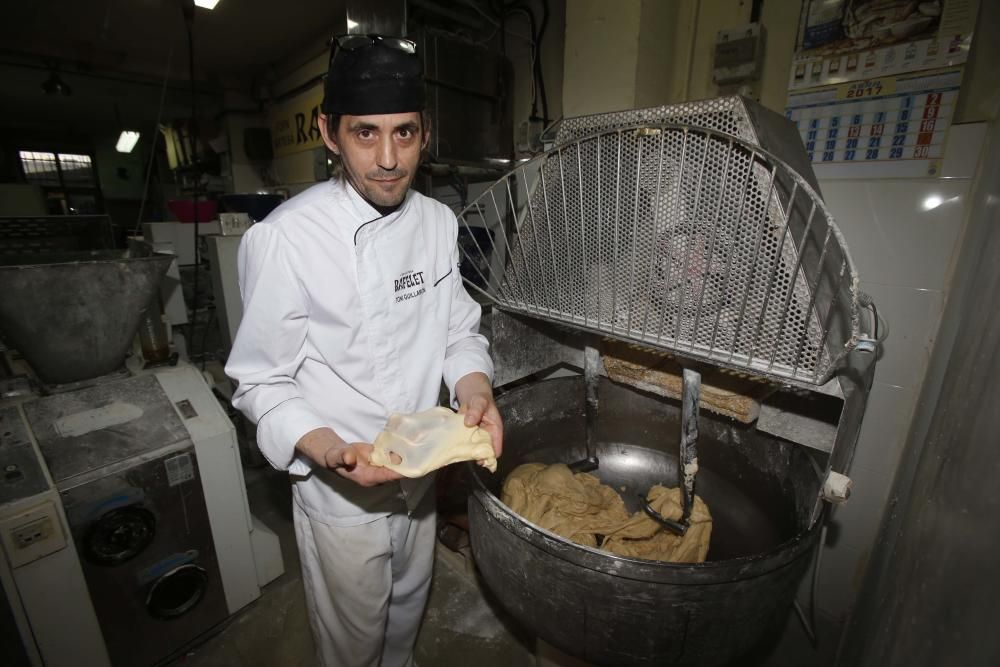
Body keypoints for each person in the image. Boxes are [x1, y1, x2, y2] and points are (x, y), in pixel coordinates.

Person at [225, 33, 503, 667]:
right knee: (353, 644)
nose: (387, 159)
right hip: (342, 495)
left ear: (424, 133)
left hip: (419, 478)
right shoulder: (286, 240)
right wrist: (335, 453)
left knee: (406, 617)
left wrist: (473, 387)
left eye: (403, 134)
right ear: (329, 133)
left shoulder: (436, 222)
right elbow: (261, 382)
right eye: (364, 134)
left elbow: (458, 328)